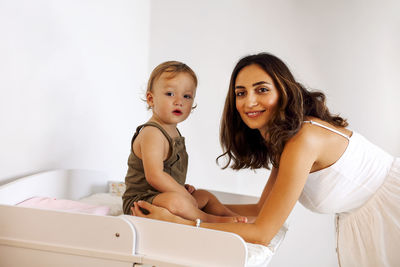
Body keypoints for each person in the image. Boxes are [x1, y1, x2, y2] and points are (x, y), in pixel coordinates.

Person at [131, 53, 400, 267]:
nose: (250, 102)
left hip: (391, 213)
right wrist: (209, 205)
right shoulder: (287, 138)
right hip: (367, 222)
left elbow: (263, 232)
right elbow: (262, 209)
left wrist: (184, 224)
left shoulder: (302, 140)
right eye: (241, 93)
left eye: (261, 90)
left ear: (283, 91)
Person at [122, 60, 246, 223]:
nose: (179, 101)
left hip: (164, 195)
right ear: (151, 99)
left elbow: (169, 172)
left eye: (186, 96)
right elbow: (155, 176)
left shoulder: (173, 131)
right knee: (177, 202)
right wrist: (180, 193)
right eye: (170, 94)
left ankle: (228, 215)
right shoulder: (152, 132)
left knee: (204, 196)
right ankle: (210, 220)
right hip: (141, 202)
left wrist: (182, 187)